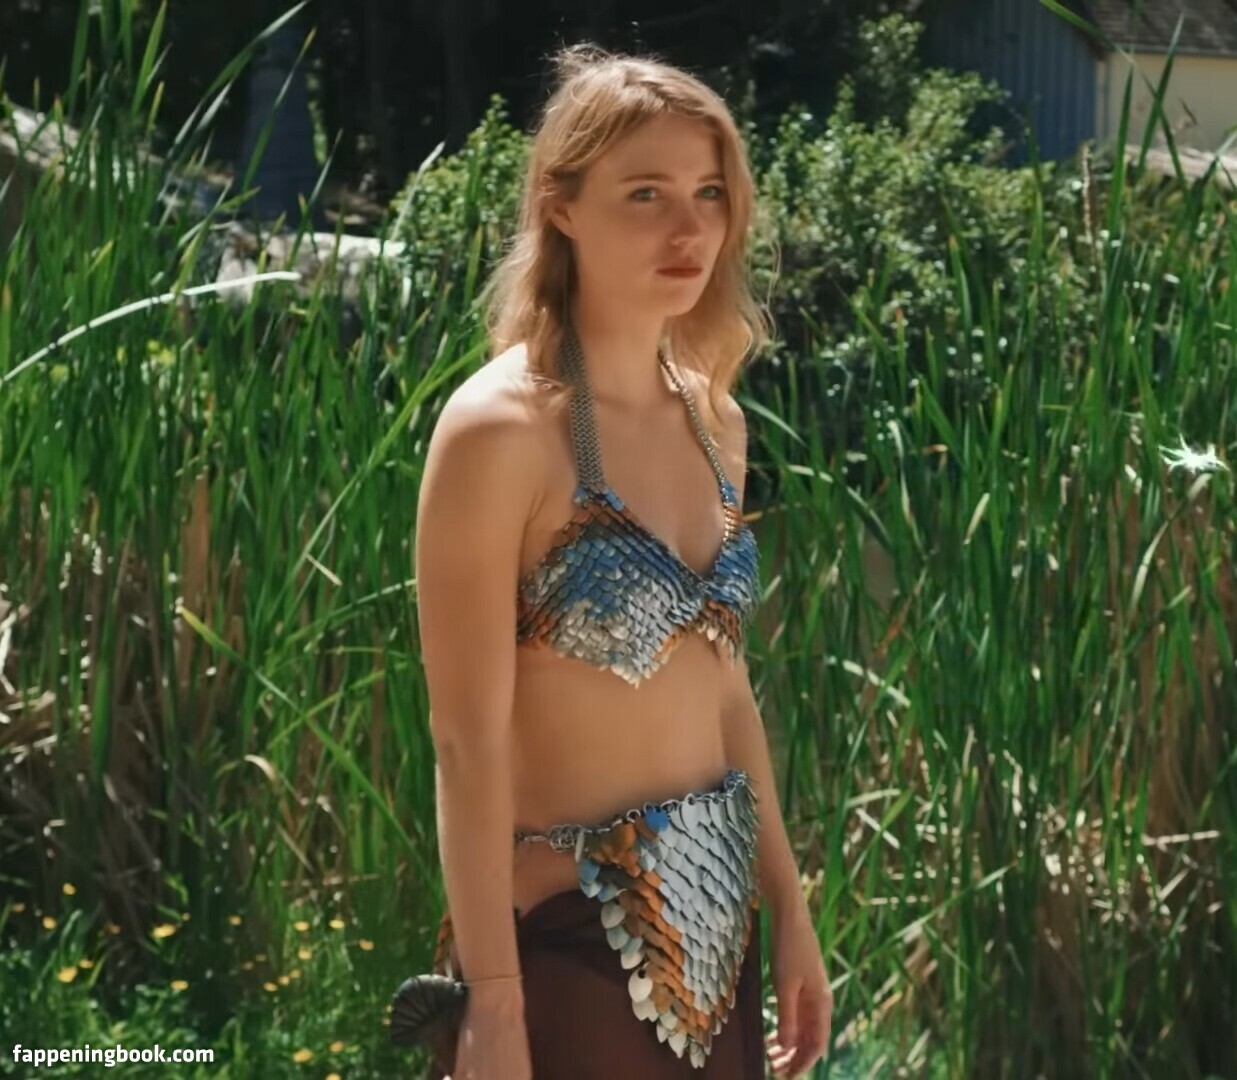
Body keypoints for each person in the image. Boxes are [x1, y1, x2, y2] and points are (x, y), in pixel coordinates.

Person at [414, 42, 832, 1080]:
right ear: (561, 206)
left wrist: (788, 907)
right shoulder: (498, 430)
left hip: (716, 939)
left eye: (708, 193)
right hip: (561, 945)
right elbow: (465, 741)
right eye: (645, 194)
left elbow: (724, 692)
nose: (688, 229)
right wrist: (492, 998)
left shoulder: (715, 421)